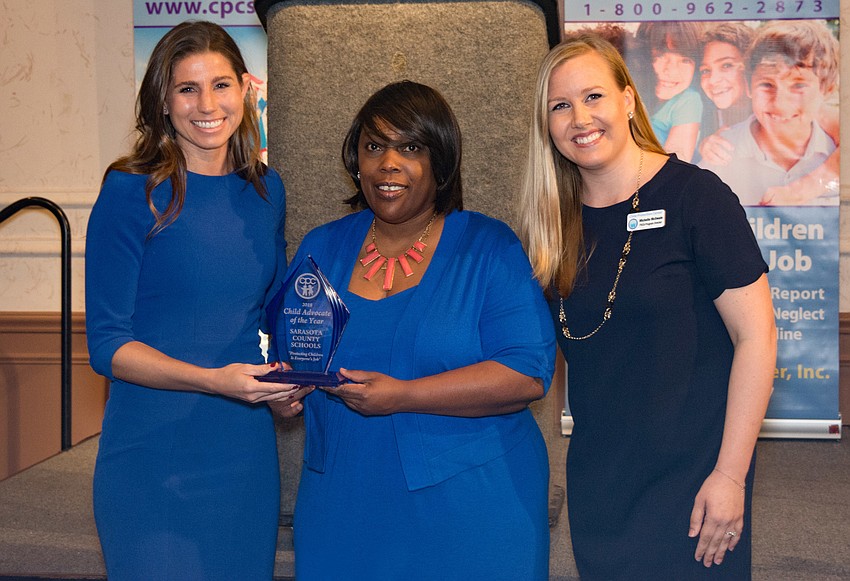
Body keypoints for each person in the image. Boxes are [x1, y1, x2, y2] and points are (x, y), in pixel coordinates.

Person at [518, 33, 776, 579]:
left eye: (593, 97)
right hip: (600, 481)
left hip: (696, 481)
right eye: (559, 106)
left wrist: (731, 475)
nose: (579, 117)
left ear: (629, 101)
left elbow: (757, 338)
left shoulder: (697, 198)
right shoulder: (549, 229)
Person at [280, 80, 556, 579]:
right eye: (373, 146)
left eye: (410, 147)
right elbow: (291, 360)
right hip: (343, 507)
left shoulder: (489, 248)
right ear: (356, 160)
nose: (389, 163)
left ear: (441, 162)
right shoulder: (320, 249)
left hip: (473, 514)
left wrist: (404, 394)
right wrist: (283, 393)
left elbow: (526, 374)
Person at [85, 21, 305, 579]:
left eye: (222, 85)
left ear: (246, 91)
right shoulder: (129, 191)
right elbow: (108, 347)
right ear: (163, 99)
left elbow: (265, 317)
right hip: (151, 455)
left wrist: (282, 386)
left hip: (244, 455)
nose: (207, 105)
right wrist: (212, 380)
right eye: (187, 89)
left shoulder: (266, 190)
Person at [698, 20, 839, 206]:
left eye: (727, 65)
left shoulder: (823, 121)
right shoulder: (708, 122)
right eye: (767, 85)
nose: (780, 103)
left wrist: (803, 189)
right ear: (749, 85)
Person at [633, 21, 704, 162]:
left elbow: (677, 166)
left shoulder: (688, 101)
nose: (670, 70)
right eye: (659, 56)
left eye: (685, 60)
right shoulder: (633, 91)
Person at [697, 22, 755, 160]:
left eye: (726, 65)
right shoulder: (704, 111)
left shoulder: (769, 113)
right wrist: (703, 146)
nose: (713, 80)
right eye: (706, 70)